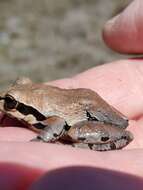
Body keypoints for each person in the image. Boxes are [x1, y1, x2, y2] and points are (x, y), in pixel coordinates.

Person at [1, 0, 143, 189]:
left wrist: (42, 139)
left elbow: (58, 123)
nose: (5, 104)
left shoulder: (46, 118)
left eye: (10, 103)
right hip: (87, 102)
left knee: (74, 132)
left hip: (82, 119)